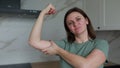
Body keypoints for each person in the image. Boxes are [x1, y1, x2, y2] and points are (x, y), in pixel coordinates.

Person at [28, 4, 109, 68]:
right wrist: (42, 13)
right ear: (69, 29)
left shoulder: (101, 44)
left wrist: (58, 51)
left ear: (86, 21)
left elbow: (86, 66)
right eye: (70, 23)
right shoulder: (64, 44)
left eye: (78, 19)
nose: (75, 24)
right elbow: (34, 42)